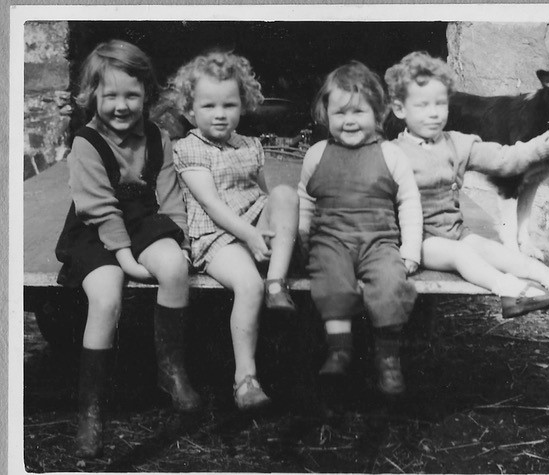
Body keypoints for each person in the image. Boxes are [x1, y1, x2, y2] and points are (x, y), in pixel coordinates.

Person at [55, 40, 202, 459]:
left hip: (141, 218)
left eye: (132, 95)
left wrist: (181, 241)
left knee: (173, 268)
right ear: (92, 96)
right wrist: (124, 259)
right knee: (105, 297)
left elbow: (170, 197)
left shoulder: (158, 137)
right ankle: (91, 410)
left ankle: (170, 371)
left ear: (146, 95)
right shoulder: (86, 143)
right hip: (95, 224)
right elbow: (100, 208)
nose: (122, 105)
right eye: (111, 95)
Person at [384, 51, 549, 320]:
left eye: (441, 104)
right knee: (462, 255)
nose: (434, 114)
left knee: (504, 254)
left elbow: (505, 158)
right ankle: (514, 293)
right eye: (423, 106)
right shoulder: (390, 153)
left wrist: (547, 143)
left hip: (455, 232)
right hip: (422, 241)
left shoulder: (457, 143)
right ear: (400, 109)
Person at [168, 50, 299, 411]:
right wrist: (252, 236)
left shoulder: (250, 145)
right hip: (215, 234)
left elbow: (262, 194)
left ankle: (277, 282)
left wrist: (273, 222)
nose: (220, 114)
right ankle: (245, 379)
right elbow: (211, 204)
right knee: (247, 285)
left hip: (251, 220)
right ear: (190, 110)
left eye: (229, 104)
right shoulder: (190, 149)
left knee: (286, 195)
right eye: (209, 106)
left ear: (244, 104)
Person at [298, 61, 423, 397]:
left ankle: (388, 358)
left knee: (390, 283)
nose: (349, 121)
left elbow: (409, 202)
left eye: (359, 112)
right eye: (340, 113)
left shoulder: (391, 154)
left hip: (378, 241)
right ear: (325, 114)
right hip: (330, 240)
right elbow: (305, 200)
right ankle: (339, 350)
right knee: (331, 282)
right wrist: (303, 237)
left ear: (379, 113)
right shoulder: (317, 154)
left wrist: (410, 250)